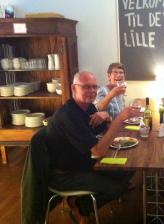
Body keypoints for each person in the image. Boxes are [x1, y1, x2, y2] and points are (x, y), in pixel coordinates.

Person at [45, 71, 140, 223]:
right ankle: (80, 206)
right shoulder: (68, 115)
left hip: (83, 162)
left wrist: (108, 117)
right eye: (86, 87)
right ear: (73, 88)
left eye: (94, 87)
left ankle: (81, 201)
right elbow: (97, 151)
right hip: (64, 174)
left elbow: (103, 131)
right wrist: (119, 119)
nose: (92, 91)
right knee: (117, 188)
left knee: (129, 169)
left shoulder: (87, 107)